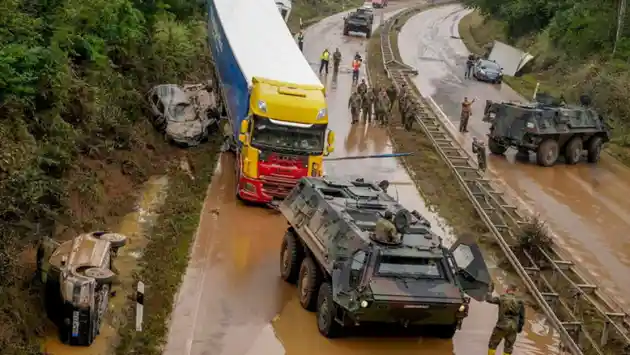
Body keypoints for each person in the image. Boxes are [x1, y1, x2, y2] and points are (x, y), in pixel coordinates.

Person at [486, 283, 525, 355]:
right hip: (513, 327)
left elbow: (489, 299)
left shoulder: (501, 298)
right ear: (515, 290)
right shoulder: (520, 301)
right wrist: (519, 328)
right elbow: (522, 317)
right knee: (508, 348)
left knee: (493, 344)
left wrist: (489, 290)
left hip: (501, 326)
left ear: (507, 289)